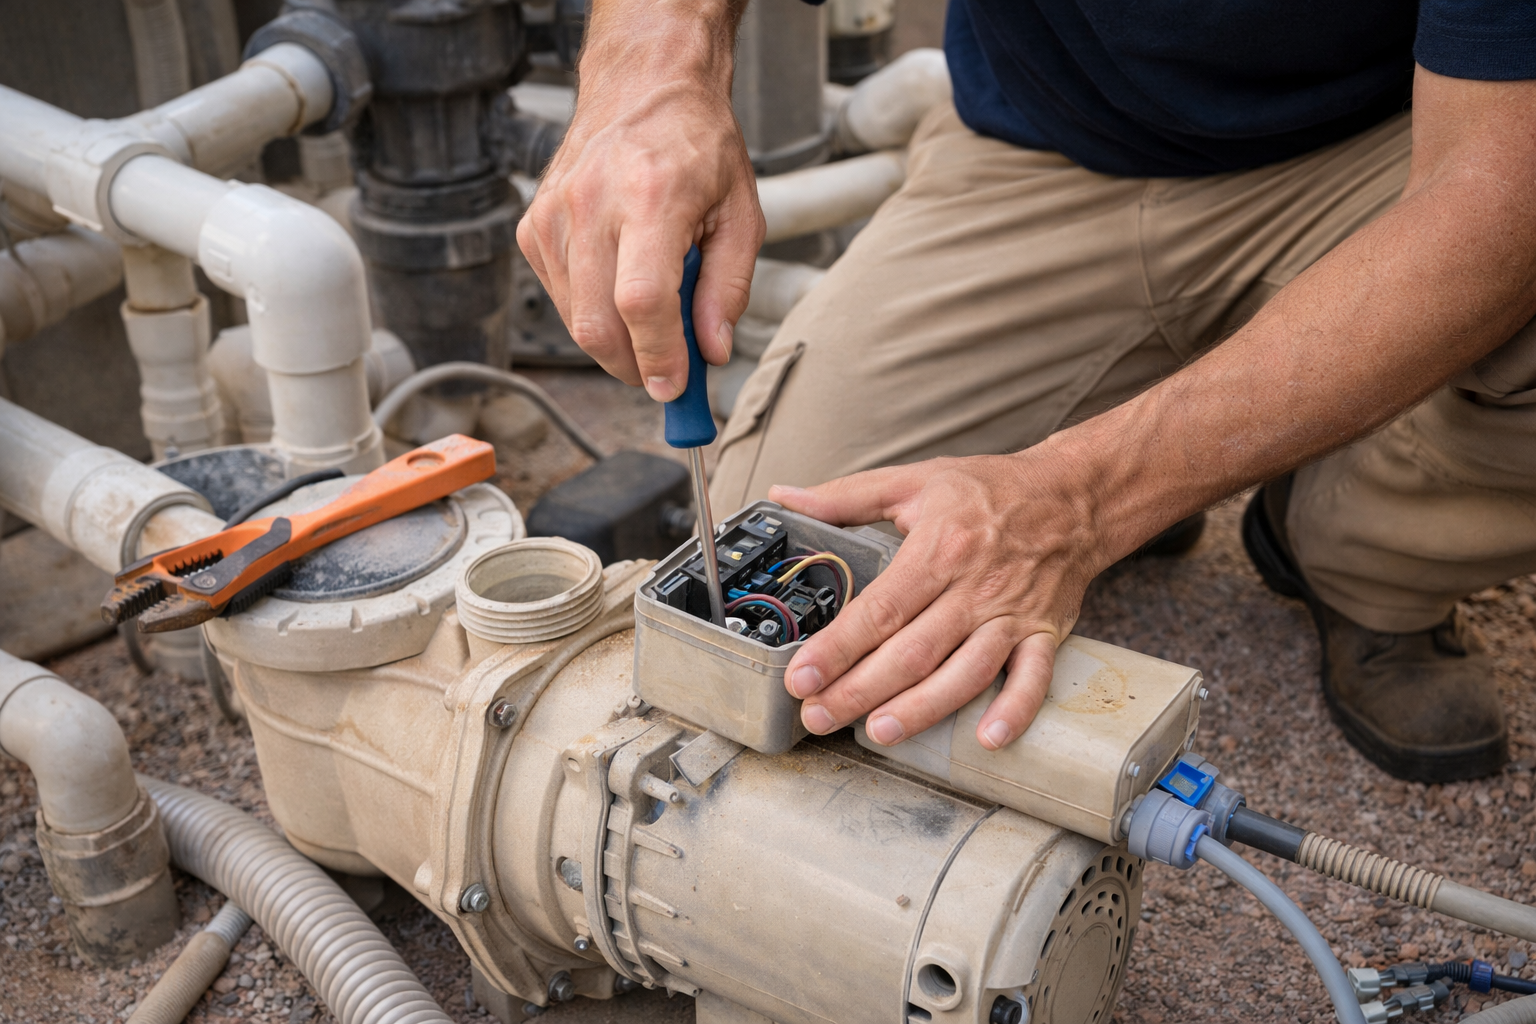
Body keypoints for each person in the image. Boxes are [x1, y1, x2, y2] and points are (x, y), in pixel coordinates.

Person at [517, 0, 1536, 784]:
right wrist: (652, 73)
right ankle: (1160, 441)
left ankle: (1362, 545)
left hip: (1403, 146)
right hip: (1050, 147)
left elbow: (1496, 197)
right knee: (795, 549)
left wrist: (1078, 501)